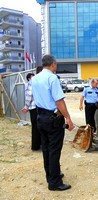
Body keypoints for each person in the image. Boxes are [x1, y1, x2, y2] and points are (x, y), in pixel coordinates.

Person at [32, 54, 74, 191]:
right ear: (53, 64)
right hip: (53, 117)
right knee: (55, 150)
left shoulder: (35, 78)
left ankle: (51, 175)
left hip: (40, 116)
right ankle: (55, 183)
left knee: (46, 148)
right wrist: (68, 117)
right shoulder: (52, 78)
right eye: (56, 64)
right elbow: (59, 101)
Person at [21, 72, 41, 151]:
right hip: (34, 107)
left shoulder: (35, 82)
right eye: (32, 76)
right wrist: (26, 106)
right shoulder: (31, 83)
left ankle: (38, 145)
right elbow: (29, 95)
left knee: (38, 127)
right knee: (36, 127)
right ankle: (35, 146)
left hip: (36, 107)